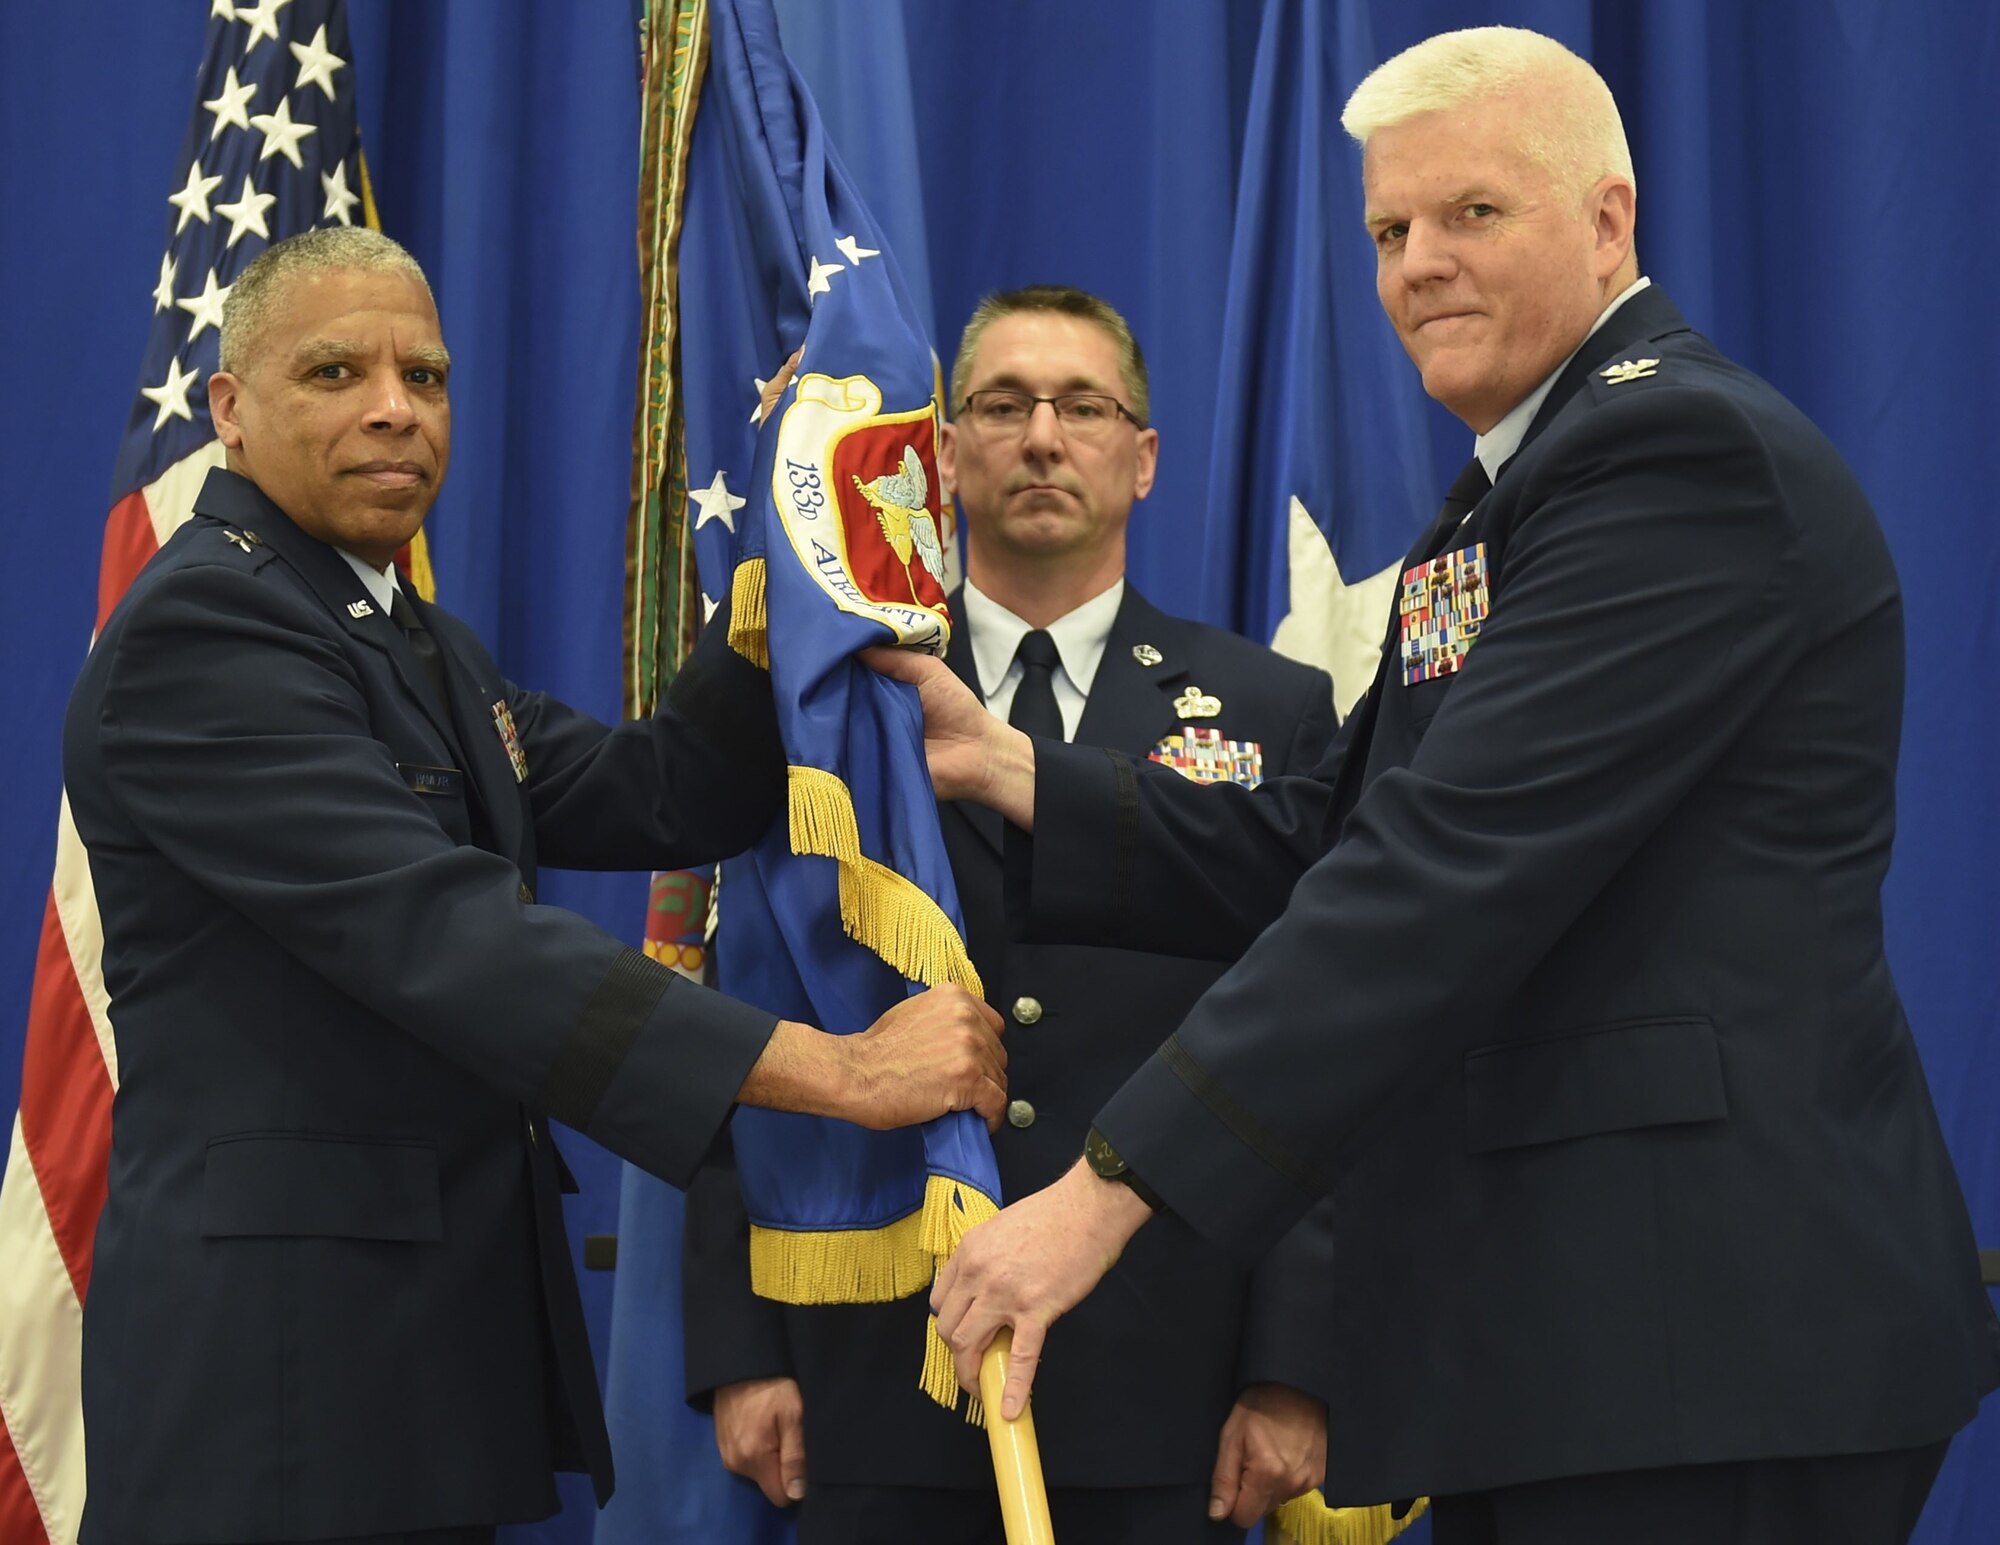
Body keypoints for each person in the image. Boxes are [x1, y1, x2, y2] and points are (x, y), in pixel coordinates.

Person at [890, 28, 2000, 1545]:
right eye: (1388, 230)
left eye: (1472, 213)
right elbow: (1335, 834)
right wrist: (1013, 770)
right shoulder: (1517, 484)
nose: (1417, 263)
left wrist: (1103, 1196)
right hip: (1579, 1341)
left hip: (1704, 1344)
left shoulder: (1675, 456)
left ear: (1609, 219)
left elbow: (1430, 880)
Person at [62, 226, 1007, 1545]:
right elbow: (451, 941)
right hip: (277, 1392)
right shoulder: (204, 632)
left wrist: (790, 537)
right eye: (336, 373)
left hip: (409, 1371)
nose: (397, 407)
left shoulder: (409, 635)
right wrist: (838, 1071)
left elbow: (665, 789)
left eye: (427, 374)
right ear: (229, 407)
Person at [681, 286, 1342, 1543]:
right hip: (876, 1372)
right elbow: (747, 997)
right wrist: (738, 1342)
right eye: (1001, 404)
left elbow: (1322, 1044)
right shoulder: (834, 706)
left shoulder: (1273, 712)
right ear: (939, 454)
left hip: (1172, 1378)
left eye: (1083, 406)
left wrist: (1292, 1361)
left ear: (1141, 459)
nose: (1042, 437)